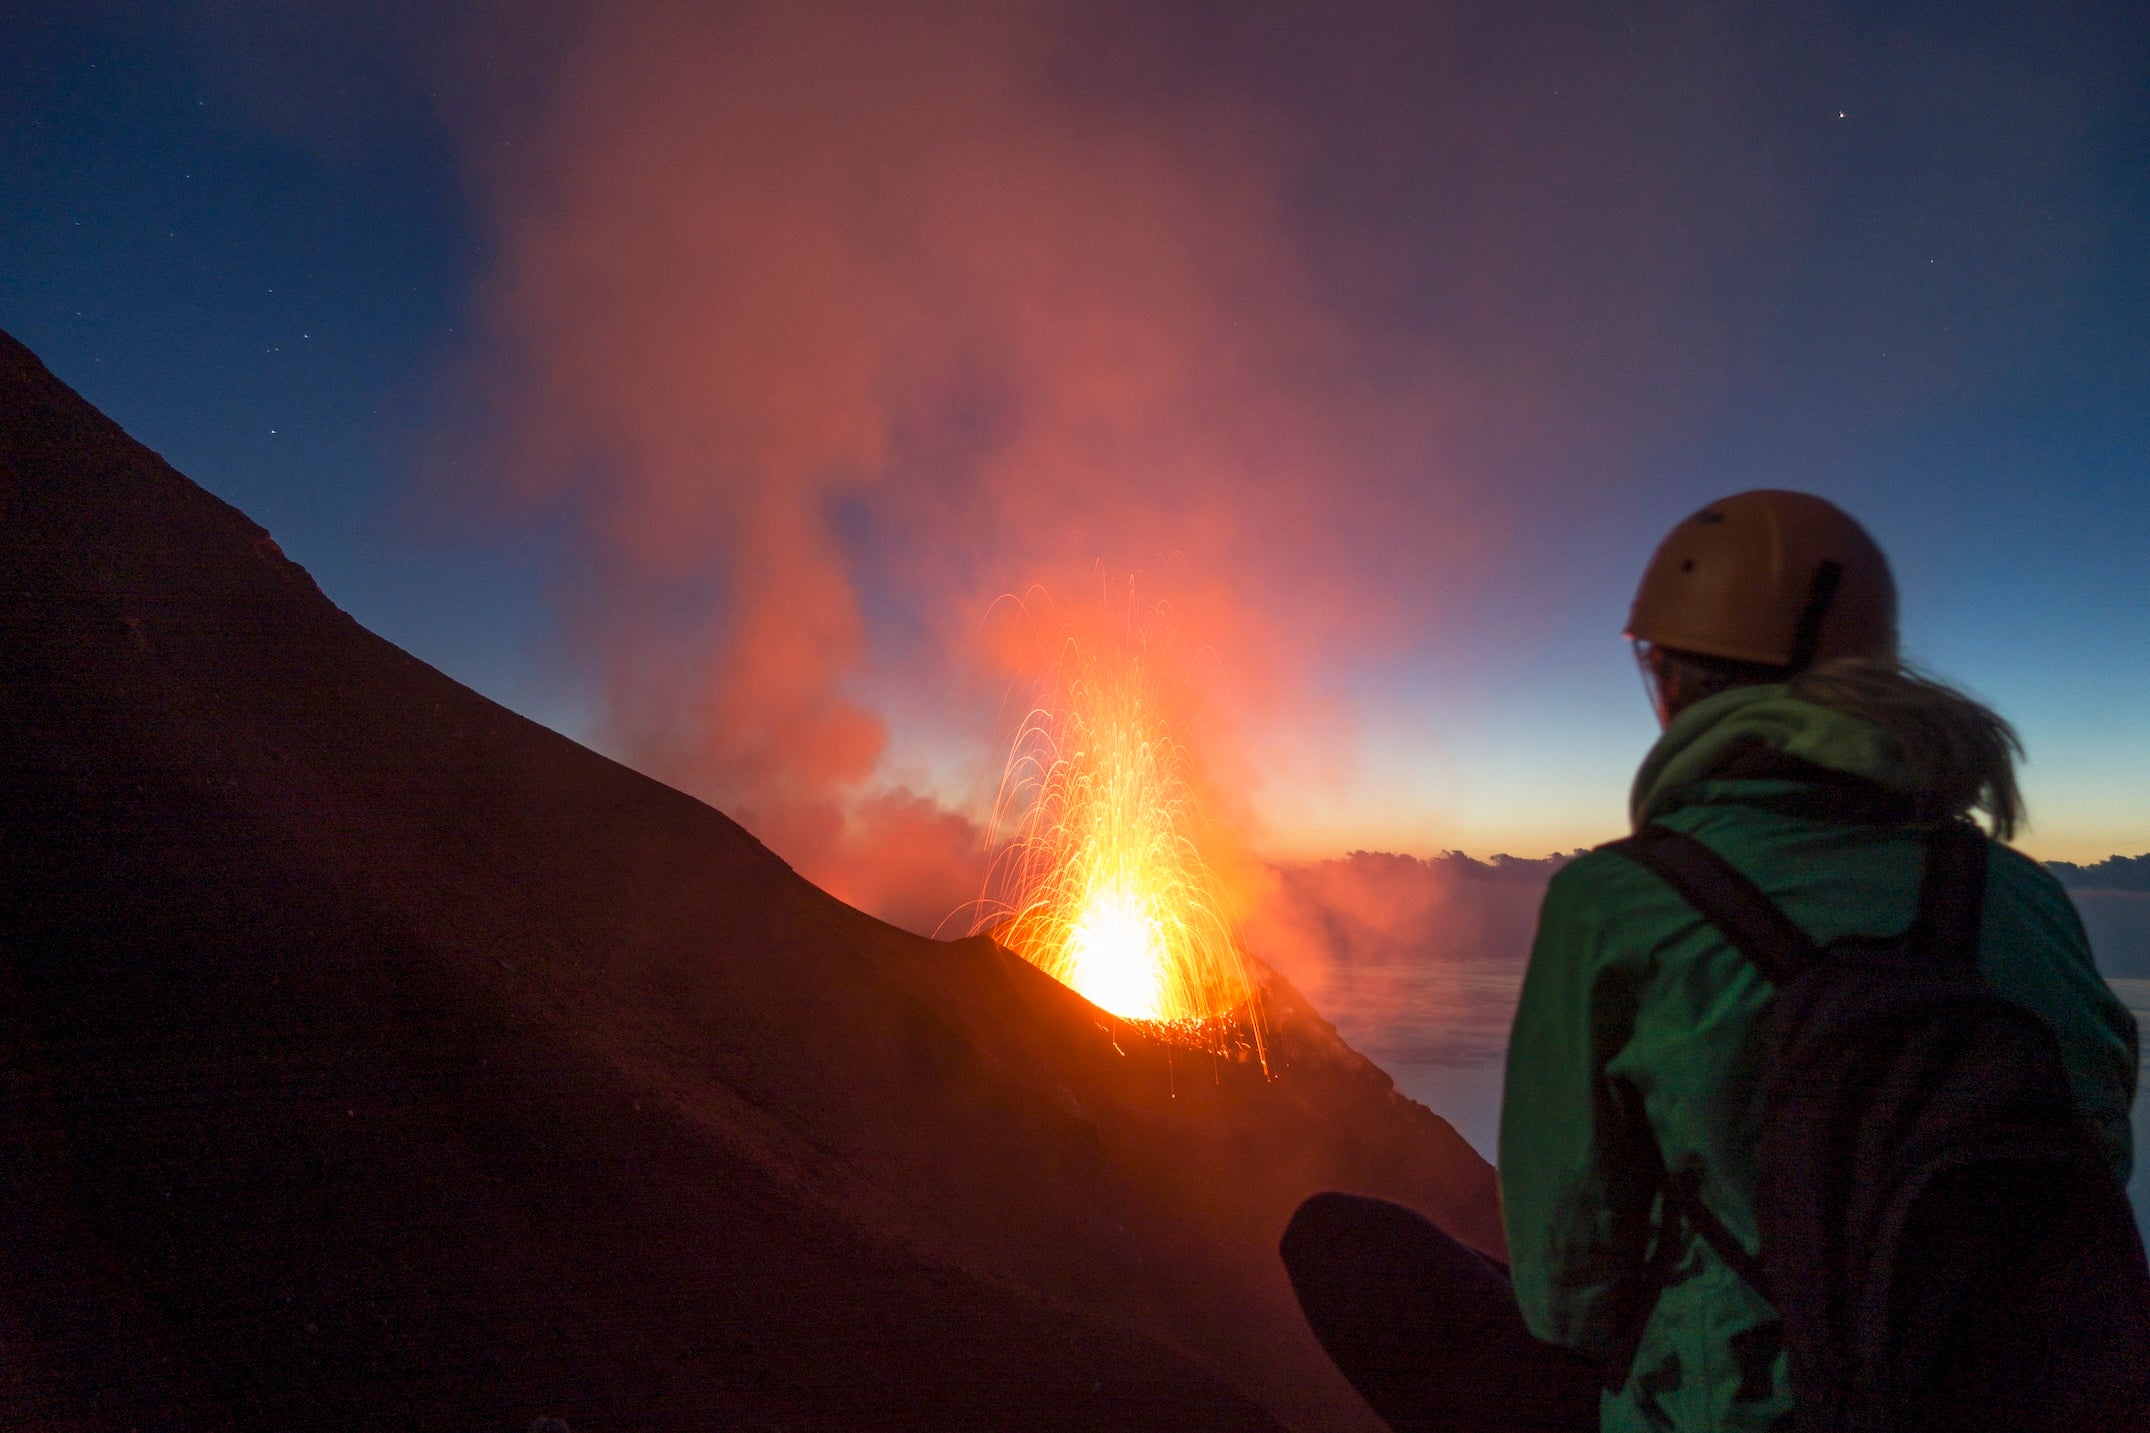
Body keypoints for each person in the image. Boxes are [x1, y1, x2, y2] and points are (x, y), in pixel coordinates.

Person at [1282, 490, 2142, 1432]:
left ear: (1675, 682)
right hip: (2011, 1395)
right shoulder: (2021, 896)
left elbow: (1571, 1292)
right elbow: (2095, 1154)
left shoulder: (1618, 902)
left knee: (1341, 1245)